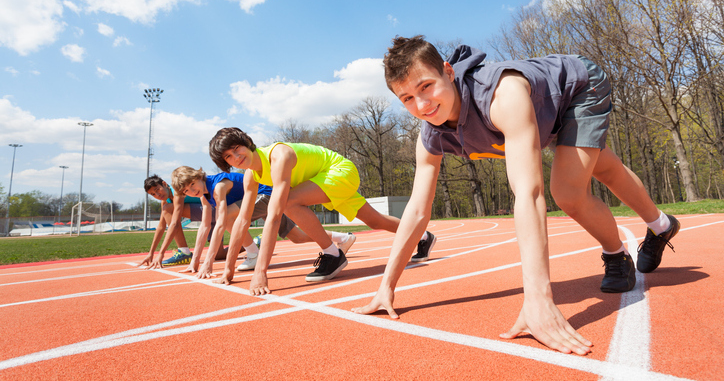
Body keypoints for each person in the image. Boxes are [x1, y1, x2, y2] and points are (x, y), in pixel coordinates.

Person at [352, 36, 680, 356]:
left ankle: (617, 256)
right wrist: (387, 285)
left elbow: (529, 193)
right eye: (407, 98)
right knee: (603, 168)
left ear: (448, 72)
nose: (422, 105)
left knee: (566, 192)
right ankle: (661, 224)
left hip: (578, 88)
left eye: (426, 86)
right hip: (544, 115)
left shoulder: (502, 95)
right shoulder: (430, 135)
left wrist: (538, 299)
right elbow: (417, 209)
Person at [207, 127, 436, 294]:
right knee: (375, 221)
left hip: (339, 171)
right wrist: (228, 270)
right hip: (321, 181)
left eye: (237, 149)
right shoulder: (250, 176)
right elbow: (241, 221)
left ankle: (332, 254)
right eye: (229, 156)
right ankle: (424, 236)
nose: (236, 157)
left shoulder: (278, 155)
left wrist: (261, 271)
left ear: (248, 143)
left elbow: (275, 217)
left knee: (288, 203)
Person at [170, 166, 356, 278]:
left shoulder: (218, 186)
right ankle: (343, 238)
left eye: (192, 185)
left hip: (265, 195)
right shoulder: (204, 195)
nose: (191, 191)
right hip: (257, 200)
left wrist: (208, 262)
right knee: (297, 237)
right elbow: (204, 227)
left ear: (198, 177)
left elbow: (219, 224)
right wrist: (195, 261)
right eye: (186, 191)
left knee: (225, 217)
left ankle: (253, 253)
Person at [137, 174, 218, 268]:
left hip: (213, 211)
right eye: (153, 194)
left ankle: (184, 252)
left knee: (167, 208)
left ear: (164, 184)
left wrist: (161, 253)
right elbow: (161, 226)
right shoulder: (165, 200)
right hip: (208, 217)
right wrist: (151, 253)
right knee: (219, 254)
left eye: (157, 189)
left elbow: (175, 223)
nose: (157, 195)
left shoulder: (177, 191)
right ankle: (239, 246)